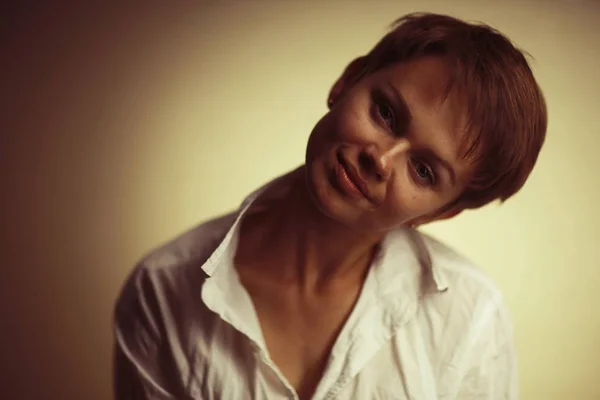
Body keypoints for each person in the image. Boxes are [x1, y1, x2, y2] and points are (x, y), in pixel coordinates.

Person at [113, 12, 547, 400]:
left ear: (439, 213)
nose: (379, 159)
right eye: (386, 114)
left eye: (424, 171)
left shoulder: (471, 318)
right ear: (347, 81)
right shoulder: (162, 289)